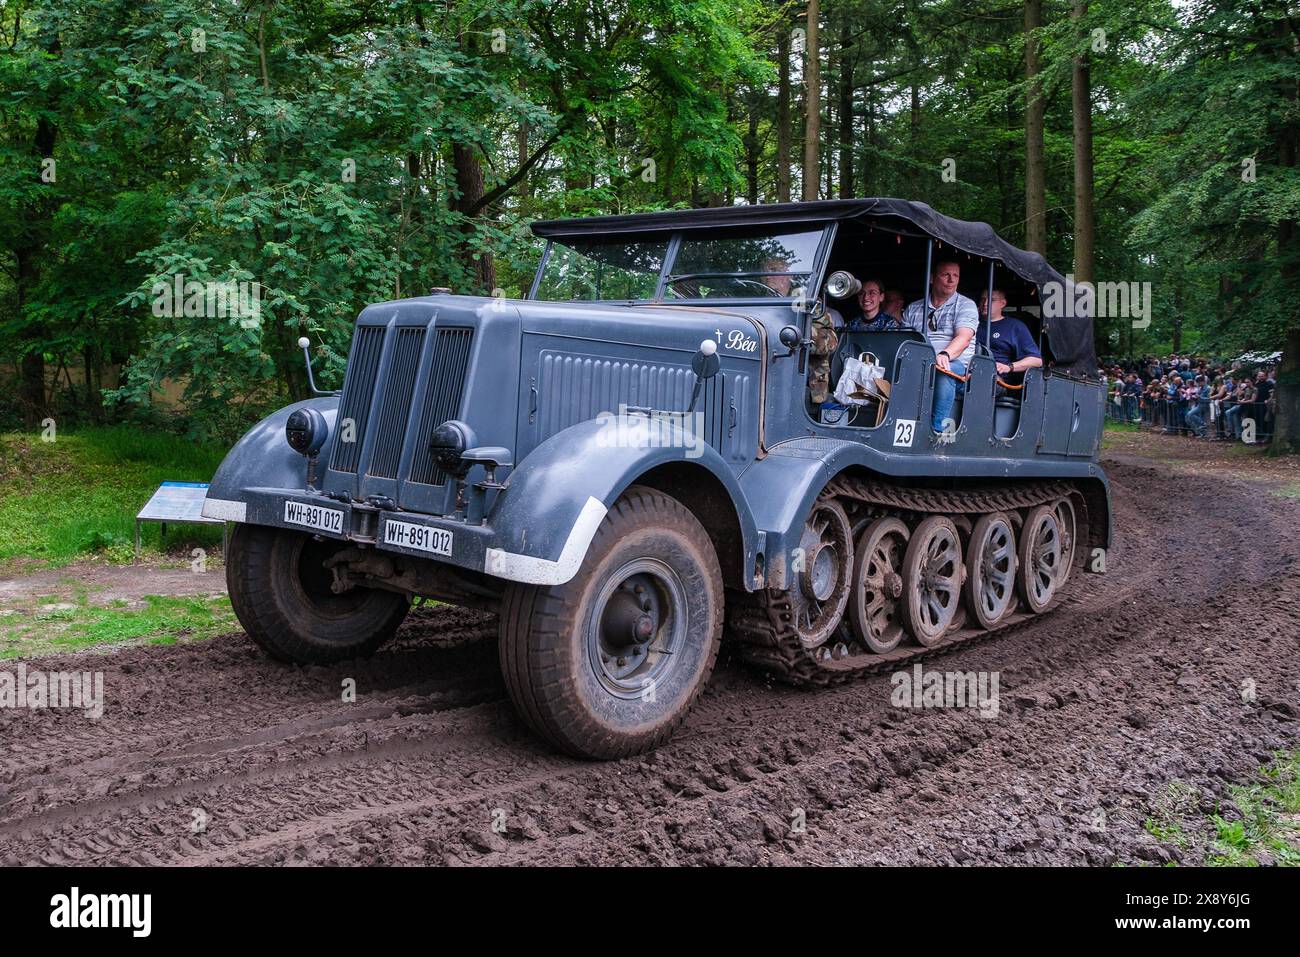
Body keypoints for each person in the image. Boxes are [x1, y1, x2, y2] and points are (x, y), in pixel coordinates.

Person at [902, 259, 979, 433]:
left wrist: (945, 354)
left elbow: (964, 337)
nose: (951, 280)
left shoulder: (966, 305)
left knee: (944, 371)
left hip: (959, 370)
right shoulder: (913, 308)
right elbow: (904, 339)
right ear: (932, 278)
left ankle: (935, 431)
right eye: (946, 275)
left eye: (955, 276)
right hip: (920, 366)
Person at [976, 288, 1042, 379]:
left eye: (992, 300)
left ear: (1003, 303)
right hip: (968, 372)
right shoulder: (970, 323)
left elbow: (1036, 360)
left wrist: (1009, 367)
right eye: (982, 299)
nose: (985, 303)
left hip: (997, 379)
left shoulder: (1015, 326)